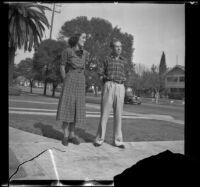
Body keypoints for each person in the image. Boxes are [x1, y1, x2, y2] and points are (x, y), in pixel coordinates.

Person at [94, 38, 131, 149]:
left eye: (120, 46)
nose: (119, 48)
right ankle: (99, 139)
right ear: (112, 47)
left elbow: (128, 73)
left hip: (120, 87)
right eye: (116, 46)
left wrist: (124, 82)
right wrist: (105, 81)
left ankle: (118, 141)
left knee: (118, 115)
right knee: (105, 113)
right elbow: (100, 72)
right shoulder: (106, 59)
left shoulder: (124, 61)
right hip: (109, 85)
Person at [56, 33, 89, 146]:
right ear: (76, 39)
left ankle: (72, 135)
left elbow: (84, 68)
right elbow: (62, 66)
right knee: (67, 107)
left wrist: (82, 80)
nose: (85, 40)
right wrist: (65, 79)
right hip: (70, 79)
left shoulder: (86, 53)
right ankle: (65, 135)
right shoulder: (67, 51)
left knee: (76, 109)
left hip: (80, 81)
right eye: (83, 38)